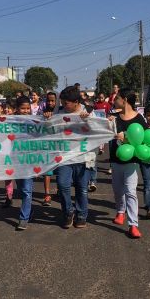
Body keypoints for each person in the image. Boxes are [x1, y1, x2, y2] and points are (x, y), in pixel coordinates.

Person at [45, 86, 91, 228]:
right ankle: (68, 212)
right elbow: (49, 128)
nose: (63, 106)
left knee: (82, 188)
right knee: (63, 184)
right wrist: (48, 117)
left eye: (66, 103)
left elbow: (99, 130)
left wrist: (87, 121)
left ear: (76, 102)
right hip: (64, 157)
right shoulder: (58, 112)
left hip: (83, 157)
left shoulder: (88, 112)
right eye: (62, 103)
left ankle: (81, 215)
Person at [109, 90, 146, 238]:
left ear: (124, 100)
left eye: (116, 98)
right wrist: (108, 123)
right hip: (116, 160)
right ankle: (120, 211)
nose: (114, 100)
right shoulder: (114, 117)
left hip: (132, 162)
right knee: (118, 190)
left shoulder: (139, 119)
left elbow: (143, 141)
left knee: (131, 191)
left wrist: (126, 139)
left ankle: (133, 225)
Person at [12, 96, 37, 230]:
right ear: (17, 109)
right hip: (15, 160)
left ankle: (23, 218)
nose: (26, 111)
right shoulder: (10, 121)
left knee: (27, 190)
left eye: (28, 108)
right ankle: (29, 211)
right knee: (21, 189)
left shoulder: (36, 121)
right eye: (23, 108)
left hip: (29, 160)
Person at [41, 92, 59, 206]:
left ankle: (60, 190)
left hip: (60, 145)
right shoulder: (43, 113)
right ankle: (47, 194)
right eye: (48, 101)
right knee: (47, 171)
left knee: (60, 170)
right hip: (47, 145)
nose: (50, 103)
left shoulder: (62, 111)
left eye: (53, 100)